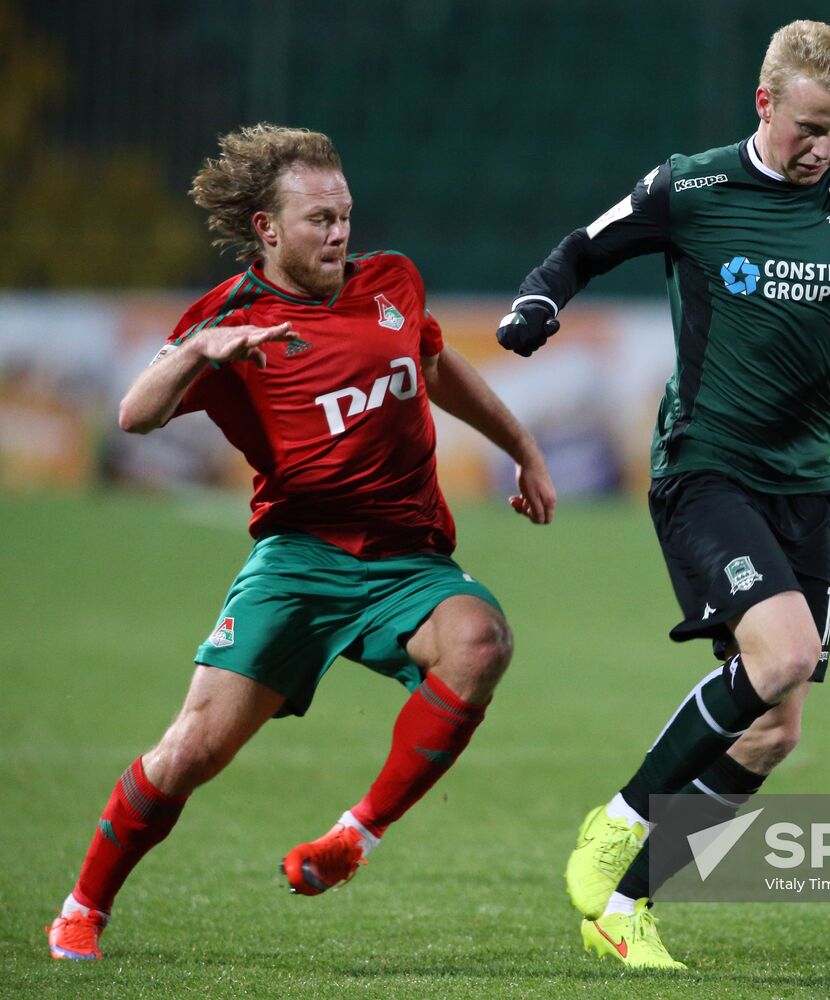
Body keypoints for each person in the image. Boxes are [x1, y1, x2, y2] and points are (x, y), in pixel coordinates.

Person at [497, 20, 830, 969]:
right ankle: (618, 819)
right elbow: (580, 250)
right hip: (703, 466)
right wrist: (538, 303)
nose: (822, 147)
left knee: (772, 732)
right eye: (806, 126)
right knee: (785, 652)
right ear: (764, 104)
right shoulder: (694, 185)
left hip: (804, 483)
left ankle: (626, 909)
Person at [46, 124, 557, 961]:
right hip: (298, 561)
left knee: (480, 639)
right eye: (319, 219)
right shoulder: (231, 315)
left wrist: (525, 451)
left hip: (406, 560)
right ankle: (84, 907)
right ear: (268, 230)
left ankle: (355, 837)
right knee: (191, 753)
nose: (339, 233)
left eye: (344, 214)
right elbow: (135, 415)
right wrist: (201, 350)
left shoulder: (391, 283)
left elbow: (434, 367)